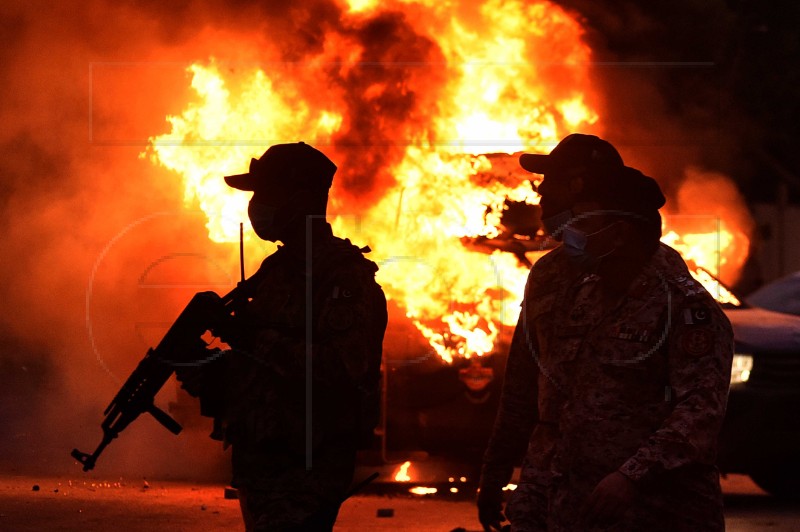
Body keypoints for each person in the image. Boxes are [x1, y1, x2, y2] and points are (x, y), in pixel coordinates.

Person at [478, 134, 734, 531]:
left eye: (586, 222)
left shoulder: (684, 306)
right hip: (558, 498)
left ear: (619, 231)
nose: (543, 194)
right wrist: (495, 472)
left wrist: (631, 476)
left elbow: (700, 413)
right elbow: (522, 387)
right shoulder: (560, 280)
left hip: (655, 508)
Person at [176, 142, 388, 531]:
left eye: (267, 192)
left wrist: (251, 339)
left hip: (307, 465)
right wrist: (208, 372)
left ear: (301, 198)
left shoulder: (344, 277)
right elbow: (259, 368)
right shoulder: (275, 270)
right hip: (261, 463)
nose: (257, 204)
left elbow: (341, 369)